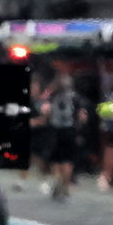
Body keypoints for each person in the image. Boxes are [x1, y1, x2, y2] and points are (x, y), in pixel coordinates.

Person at [43, 73, 85, 201]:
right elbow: (83, 116)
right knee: (67, 160)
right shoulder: (76, 98)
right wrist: (79, 129)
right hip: (70, 131)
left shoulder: (52, 97)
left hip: (55, 131)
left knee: (55, 159)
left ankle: (57, 179)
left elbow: (45, 111)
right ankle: (66, 186)